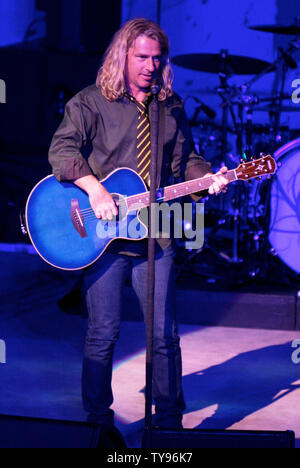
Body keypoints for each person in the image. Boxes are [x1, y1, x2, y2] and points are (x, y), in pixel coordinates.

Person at [48, 18, 229, 429]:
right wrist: (94, 189)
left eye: (156, 58)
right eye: (142, 56)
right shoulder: (90, 103)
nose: (150, 65)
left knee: (164, 336)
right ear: (123, 56)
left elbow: (185, 163)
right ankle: (98, 424)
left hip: (155, 233)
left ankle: (168, 423)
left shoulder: (170, 107)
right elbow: (61, 150)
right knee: (102, 333)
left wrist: (208, 179)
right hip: (103, 238)